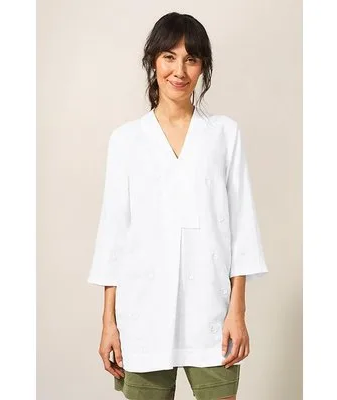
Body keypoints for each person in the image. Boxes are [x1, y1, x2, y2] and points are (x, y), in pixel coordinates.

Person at [87, 12, 268, 400]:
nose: (179, 71)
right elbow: (114, 233)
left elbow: (242, 225)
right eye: (169, 57)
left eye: (191, 59)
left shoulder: (224, 134)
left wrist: (237, 312)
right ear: (153, 60)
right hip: (143, 311)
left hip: (211, 310)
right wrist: (108, 322)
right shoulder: (127, 140)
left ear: (203, 66)